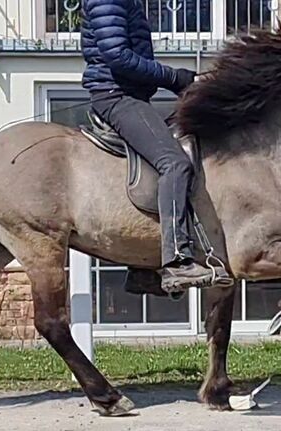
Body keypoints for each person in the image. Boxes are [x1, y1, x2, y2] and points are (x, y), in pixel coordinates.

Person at [81, 0, 230, 292]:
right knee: (174, 163)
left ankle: (143, 268)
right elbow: (118, 56)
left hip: (131, 95)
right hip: (117, 96)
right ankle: (176, 263)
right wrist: (175, 78)